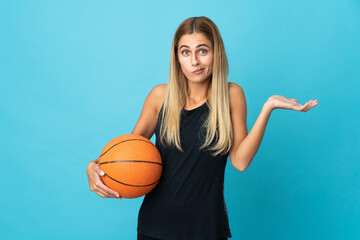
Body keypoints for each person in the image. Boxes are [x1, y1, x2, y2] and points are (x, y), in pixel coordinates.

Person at [86, 16, 318, 240]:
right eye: (185, 52)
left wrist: (268, 108)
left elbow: (240, 161)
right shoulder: (159, 97)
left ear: (216, 53)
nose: (194, 61)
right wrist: (93, 165)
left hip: (207, 229)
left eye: (203, 51)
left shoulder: (231, 95)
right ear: (177, 58)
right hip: (154, 228)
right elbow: (125, 156)